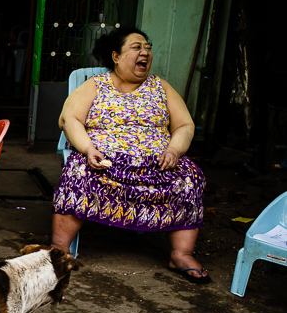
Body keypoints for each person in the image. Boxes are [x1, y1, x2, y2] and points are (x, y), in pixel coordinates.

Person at [52, 26, 209, 283]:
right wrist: (88, 148)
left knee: (190, 177)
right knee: (78, 172)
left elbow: (184, 125)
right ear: (116, 56)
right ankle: (60, 248)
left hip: (157, 163)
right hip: (106, 161)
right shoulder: (96, 85)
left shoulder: (160, 87)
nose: (145, 52)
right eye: (136, 47)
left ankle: (181, 253)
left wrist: (174, 150)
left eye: (147, 48)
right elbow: (69, 119)